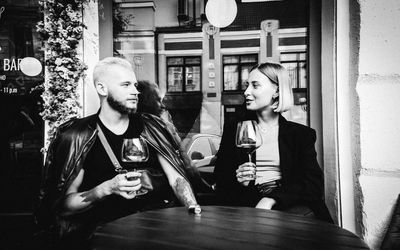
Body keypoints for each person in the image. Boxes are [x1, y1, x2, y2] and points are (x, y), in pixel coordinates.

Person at [35, 57, 201, 249]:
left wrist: (191, 206)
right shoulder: (77, 135)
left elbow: (176, 179)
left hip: (157, 231)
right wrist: (105, 188)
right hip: (104, 235)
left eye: (135, 85)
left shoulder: (151, 127)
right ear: (102, 89)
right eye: (126, 85)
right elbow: (65, 205)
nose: (135, 91)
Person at [214, 62, 333, 223]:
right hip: (247, 207)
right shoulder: (235, 129)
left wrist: (271, 199)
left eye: (255, 85)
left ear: (276, 91)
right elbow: (220, 179)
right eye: (247, 85)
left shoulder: (300, 135)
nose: (246, 92)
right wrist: (239, 181)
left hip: (289, 207)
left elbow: (313, 184)